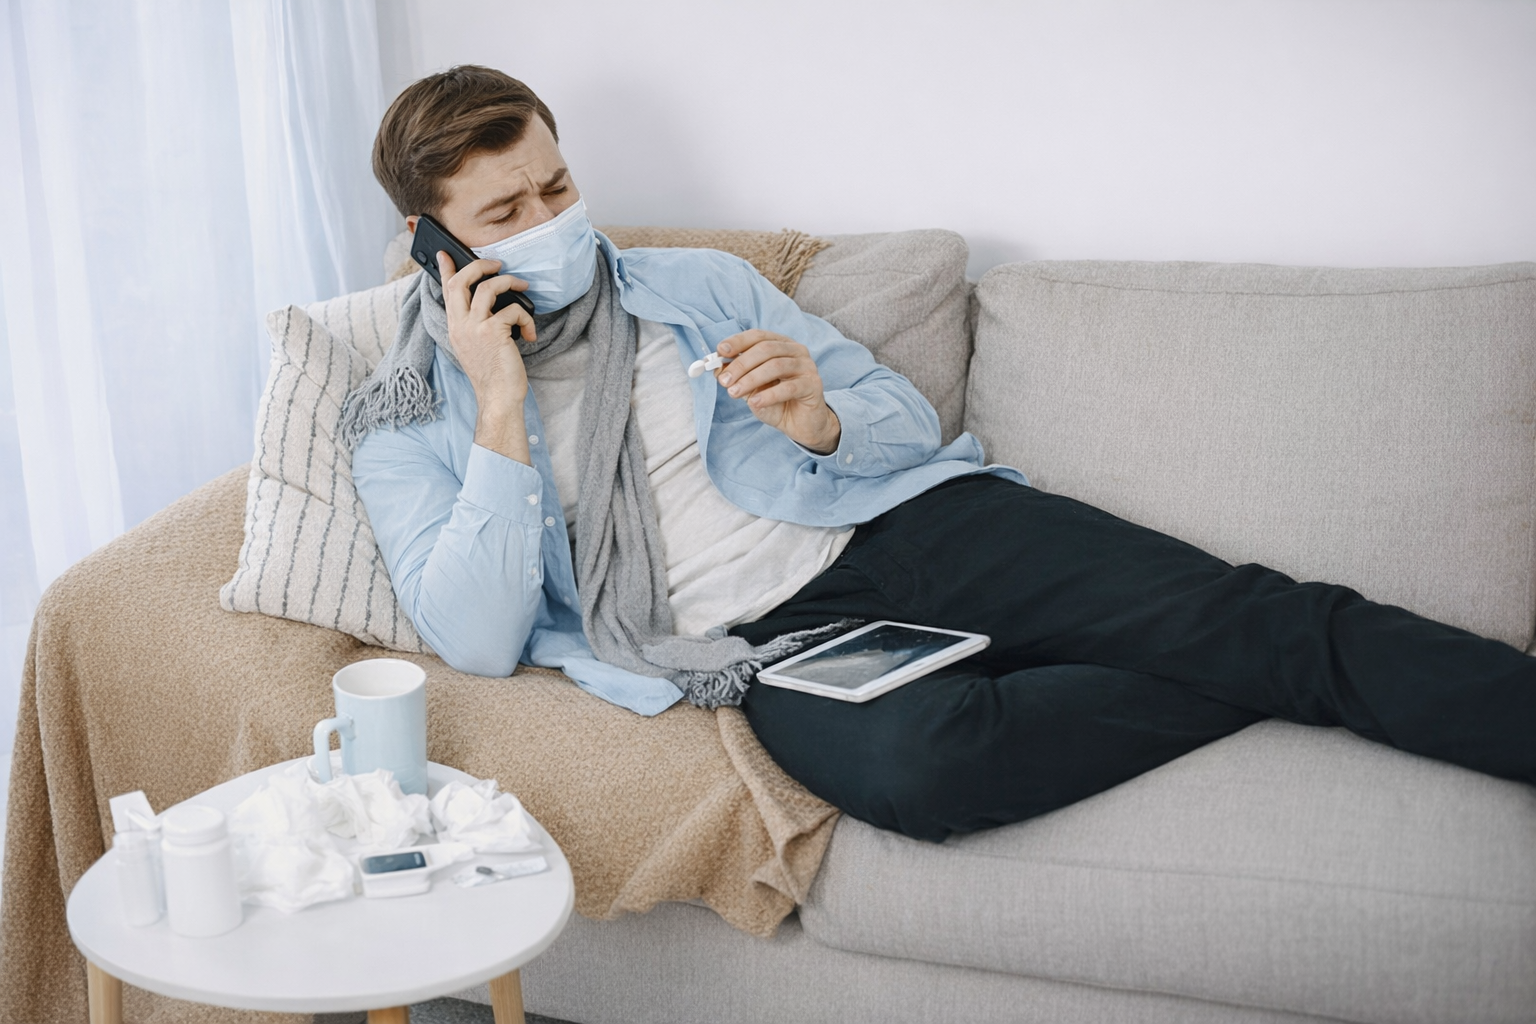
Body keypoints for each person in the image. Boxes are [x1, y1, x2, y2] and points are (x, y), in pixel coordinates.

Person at [350, 65, 1534, 843]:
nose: (553, 223)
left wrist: (817, 417)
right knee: (923, 774)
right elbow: (477, 634)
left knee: (1266, 618)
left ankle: (1328, 674)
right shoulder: (406, 412)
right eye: (506, 213)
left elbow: (897, 424)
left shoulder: (695, 286)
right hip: (767, 641)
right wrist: (501, 412)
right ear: (431, 239)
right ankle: (1264, 682)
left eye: (559, 186)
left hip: (910, 525)